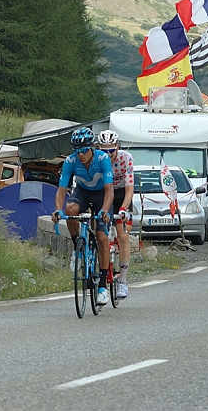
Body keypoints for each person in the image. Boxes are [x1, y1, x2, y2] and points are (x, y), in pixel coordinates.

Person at [52, 127, 114, 305]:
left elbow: (109, 189)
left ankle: (102, 286)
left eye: (84, 150)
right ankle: (77, 250)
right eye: (77, 151)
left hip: (102, 194)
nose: (81, 155)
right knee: (70, 209)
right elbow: (62, 189)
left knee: (102, 236)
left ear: (92, 148)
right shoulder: (70, 161)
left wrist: (105, 210)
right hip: (83, 192)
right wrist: (58, 210)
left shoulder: (103, 159)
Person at [97, 129, 134, 299]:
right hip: (105, 194)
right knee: (100, 233)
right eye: (104, 150)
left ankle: (123, 282)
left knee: (123, 235)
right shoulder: (97, 159)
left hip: (121, 196)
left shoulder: (126, 158)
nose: (108, 154)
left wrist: (123, 209)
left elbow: (129, 188)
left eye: (111, 150)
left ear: (117, 147)